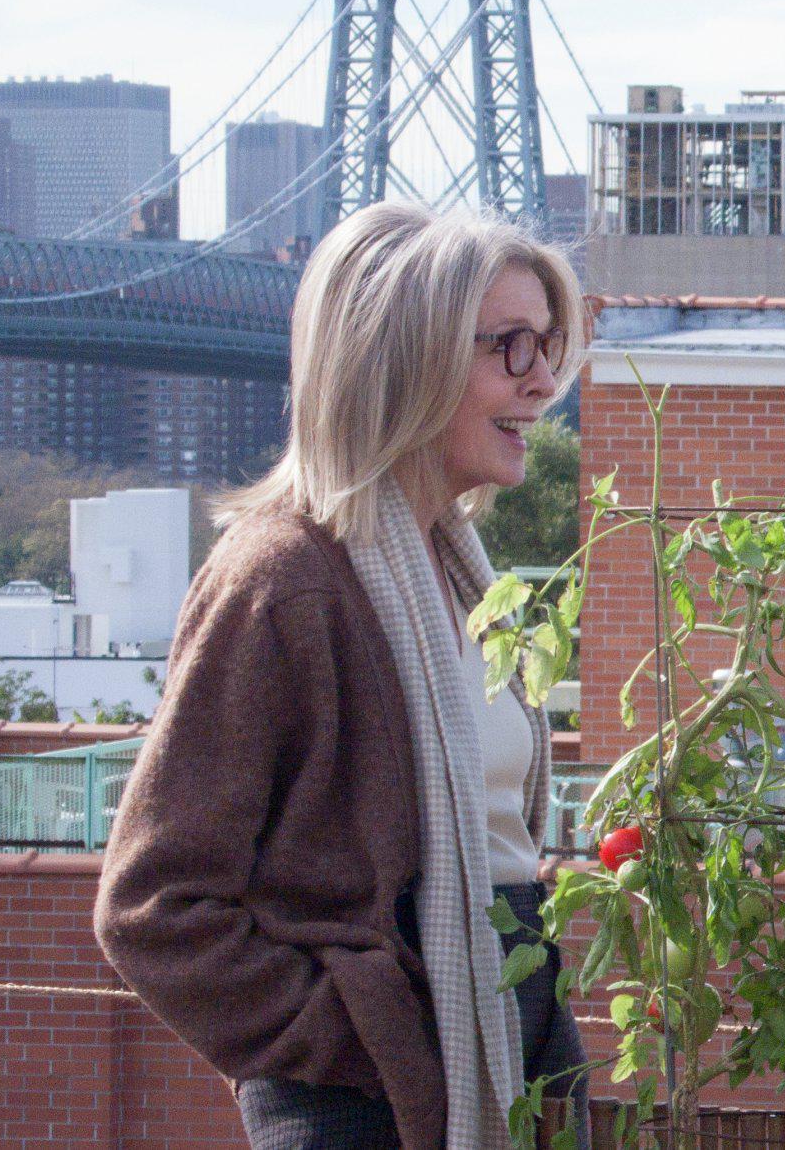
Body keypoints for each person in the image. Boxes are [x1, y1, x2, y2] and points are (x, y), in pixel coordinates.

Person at [95, 202, 593, 1150]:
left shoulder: (460, 572)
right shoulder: (283, 581)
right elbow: (152, 908)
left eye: (551, 345)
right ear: (404, 361)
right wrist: (355, 1037)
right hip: (369, 1106)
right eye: (511, 346)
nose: (544, 381)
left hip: (504, 1059)